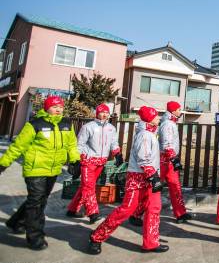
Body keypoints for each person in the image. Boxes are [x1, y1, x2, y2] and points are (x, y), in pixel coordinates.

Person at [0, 96, 79, 250]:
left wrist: (75, 160)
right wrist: (4, 163)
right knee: (37, 203)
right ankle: (35, 238)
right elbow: (18, 146)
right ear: (46, 108)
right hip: (35, 169)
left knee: (39, 199)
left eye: (60, 107)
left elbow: (72, 145)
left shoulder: (66, 125)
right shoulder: (35, 124)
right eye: (54, 107)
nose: (58, 109)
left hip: (54, 169)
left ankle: (16, 222)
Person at [88, 106, 167, 254]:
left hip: (150, 177)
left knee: (154, 208)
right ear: (149, 119)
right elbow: (143, 157)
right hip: (139, 177)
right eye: (156, 116)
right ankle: (96, 237)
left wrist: (153, 176)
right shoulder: (144, 134)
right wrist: (152, 176)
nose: (159, 118)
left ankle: (151, 243)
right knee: (126, 209)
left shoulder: (150, 133)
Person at [67, 103, 122, 224]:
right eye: (102, 112)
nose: (104, 114)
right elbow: (80, 144)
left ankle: (72, 209)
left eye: (106, 112)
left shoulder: (111, 128)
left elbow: (114, 143)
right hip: (88, 161)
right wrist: (75, 160)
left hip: (101, 162)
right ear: (97, 113)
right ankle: (93, 213)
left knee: (85, 187)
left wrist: (117, 154)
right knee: (88, 187)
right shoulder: (88, 127)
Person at [159, 101, 191, 223]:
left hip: (170, 159)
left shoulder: (171, 122)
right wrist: (173, 158)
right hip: (165, 159)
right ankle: (137, 213)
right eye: (178, 109)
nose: (180, 111)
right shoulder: (167, 124)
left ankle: (180, 213)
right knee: (154, 186)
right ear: (172, 111)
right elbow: (166, 143)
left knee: (175, 186)